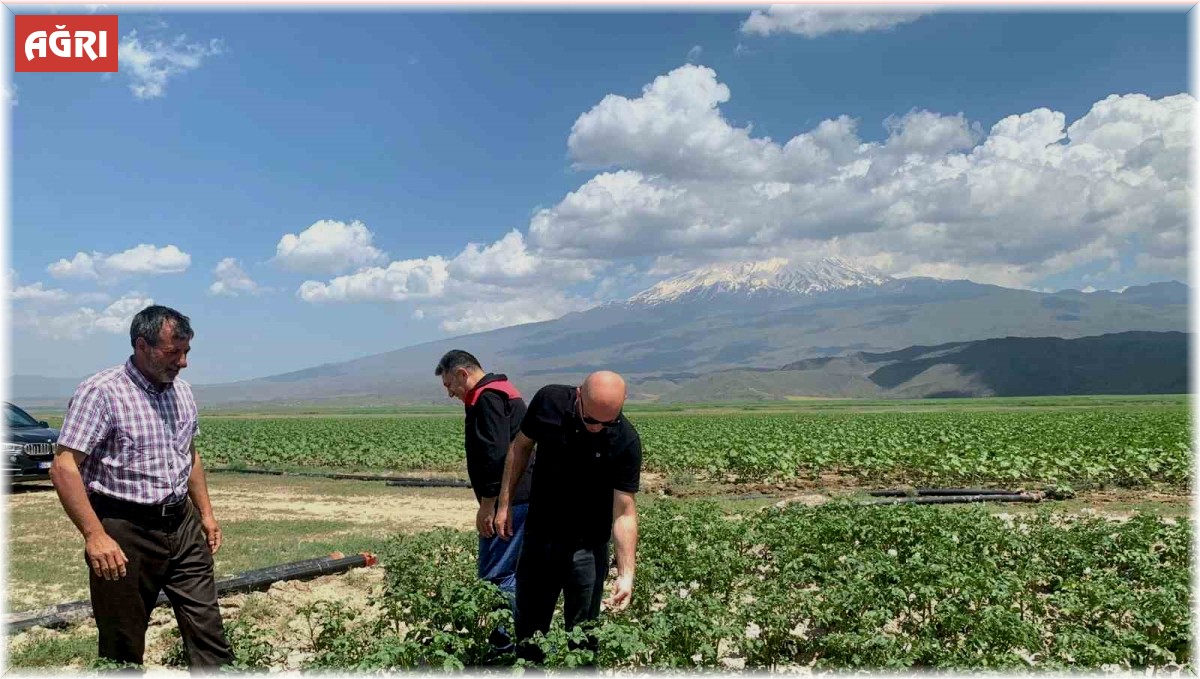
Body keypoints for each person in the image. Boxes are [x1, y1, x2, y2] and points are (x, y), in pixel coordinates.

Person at [49, 305, 233, 669]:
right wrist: (94, 535)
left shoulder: (183, 392)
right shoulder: (101, 392)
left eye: (186, 352)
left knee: (208, 632)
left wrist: (206, 515)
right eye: (172, 352)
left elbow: (189, 455)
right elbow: (64, 466)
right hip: (124, 529)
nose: (182, 362)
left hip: (181, 524)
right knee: (123, 641)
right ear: (142, 345)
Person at [495, 371, 641, 663]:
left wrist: (626, 575)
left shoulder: (625, 441)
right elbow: (521, 446)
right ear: (578, 395)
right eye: (591, 420)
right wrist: (504, 503)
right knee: (529, 634)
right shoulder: (549, 400)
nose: (599, 428)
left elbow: (624, 512)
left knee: (584, 638)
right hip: (540, 539)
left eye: (608, 421)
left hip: (587, 548)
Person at [435, 349, 533, 653]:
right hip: (523, 496)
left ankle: (501, 646)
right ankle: (520, 640)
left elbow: (495, 454)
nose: (450, 394)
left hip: (510, 500)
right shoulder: (504, 390)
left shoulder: (487, 397)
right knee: (514, 573)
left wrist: (490, 504)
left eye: (450, 385)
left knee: (496, 574)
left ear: (463, 374)